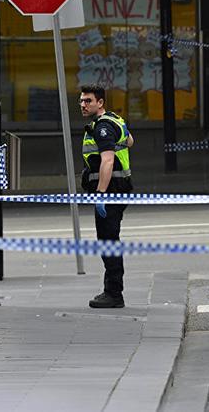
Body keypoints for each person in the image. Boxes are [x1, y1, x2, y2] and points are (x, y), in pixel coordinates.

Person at [79, 84, 135, 308]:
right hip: (119, 188)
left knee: (108, 240)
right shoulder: (114, 119)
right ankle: (112, 290)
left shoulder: (103, 127)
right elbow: (130, 141)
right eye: (81, 101)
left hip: (111, 191)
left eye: (88, 101)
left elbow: (108, 160)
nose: (83, 105)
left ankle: (114, 294)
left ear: (100, 103)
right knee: (109, 239)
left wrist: (100, 194)